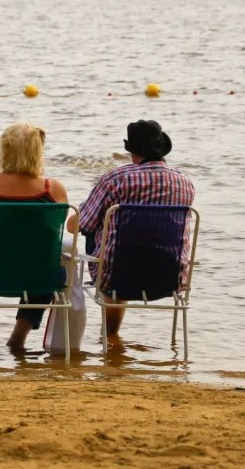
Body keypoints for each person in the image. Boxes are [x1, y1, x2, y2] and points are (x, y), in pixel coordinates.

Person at [70, 120, 195, 336]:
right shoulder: (185, 182)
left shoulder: (116, 178)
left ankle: (110, 334)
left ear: (131, 150)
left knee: (102, 229)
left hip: (117, 276)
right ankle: (115, 336)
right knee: (138, 234)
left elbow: (78, 226)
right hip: (169, 277)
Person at [0, 123, 70, 351]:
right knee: (47, 264)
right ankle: (18, 338)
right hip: (41, 277)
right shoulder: (54, 188)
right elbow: (58, 227)